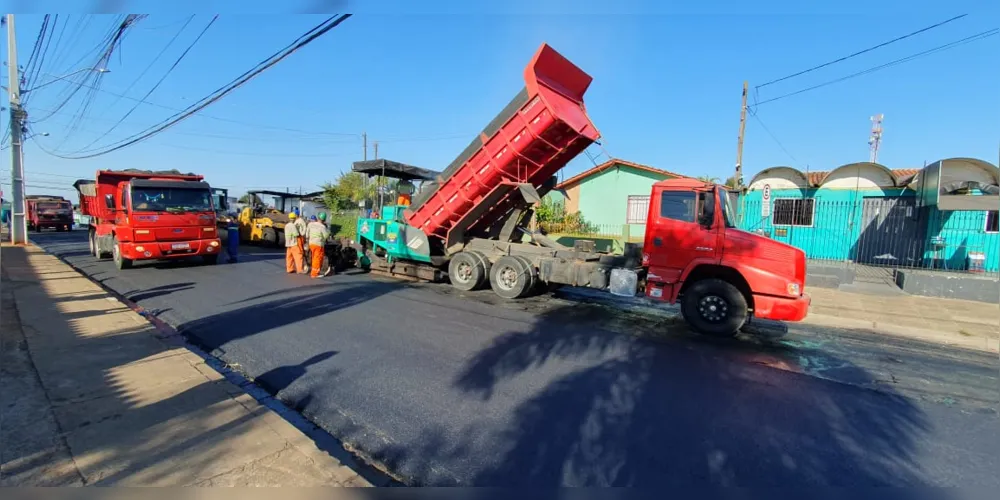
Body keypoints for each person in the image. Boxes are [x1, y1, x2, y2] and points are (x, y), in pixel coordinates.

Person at [306, 213, 330, 278]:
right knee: (317, 258)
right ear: (324, 219)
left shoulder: (310, 224)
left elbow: (307, 234)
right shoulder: (323, 227)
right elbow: (325, 236)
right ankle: (314, 274)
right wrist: (328, 232)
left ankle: (313, 271)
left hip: (311, 243)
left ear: (318, 217)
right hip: (318, 244)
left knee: (314, 257)